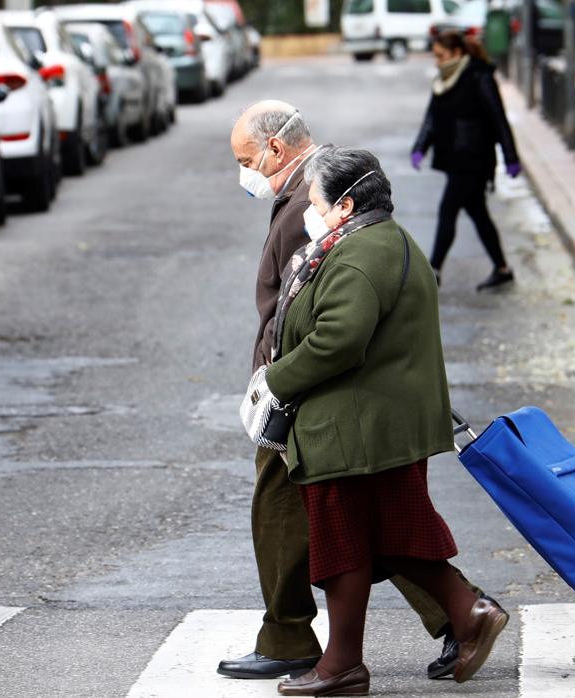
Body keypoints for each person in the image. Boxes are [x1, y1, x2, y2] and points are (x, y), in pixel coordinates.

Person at [223, 102, 491, 684]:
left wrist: (275, 378)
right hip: (357, 413)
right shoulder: (364, 232)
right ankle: (452, 617)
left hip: (346, 415)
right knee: (378, 530)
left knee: (348, 533)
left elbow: (331, 333)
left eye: (248, 160)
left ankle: (327, 646)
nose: (245, 174)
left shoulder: (343, 236)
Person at [412, 31, 522, 292]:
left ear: (457, 53)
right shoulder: (444, 79)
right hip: (454, 157)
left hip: (474, 158)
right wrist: (420, 147)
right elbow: (432, 116)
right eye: (435, 56)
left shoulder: (479, 77)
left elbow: (498, 118)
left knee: (447, 210)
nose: (437, 61)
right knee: (478, 214)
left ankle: (433, 269)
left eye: (441, 56)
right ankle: (502, 268)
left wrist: (511, 157)